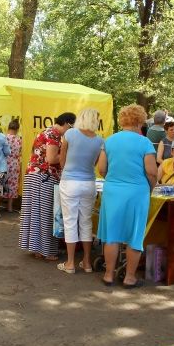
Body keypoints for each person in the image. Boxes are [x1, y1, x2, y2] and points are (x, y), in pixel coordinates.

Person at [97, 105, 157, 288]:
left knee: (111, 234)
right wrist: (150, 188)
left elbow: (101, 169)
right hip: (137, 192)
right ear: (140, 121)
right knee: (134, 236)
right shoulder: (144, 142)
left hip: (112, 191)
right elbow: (152, 172)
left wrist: (114, 180)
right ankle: (129, 277)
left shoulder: (109, 140)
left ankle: (108, 274)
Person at [19, 112, 76, 261]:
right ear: (67, 124)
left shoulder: (47, 131)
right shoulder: (54, 134)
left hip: (35, 176)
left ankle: (38, 249)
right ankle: (47, 251)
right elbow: (52, 159)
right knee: (47, 215)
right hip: (44, 177)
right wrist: (69, 154)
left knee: (35, 214)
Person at [57, 108, 103, 274]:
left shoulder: (70, 134)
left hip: (70, 181)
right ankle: (87, 262)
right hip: (89, 183)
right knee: (86, 222)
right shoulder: (100, 140)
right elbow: (95, 164)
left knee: (70, 222)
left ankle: (70, 263)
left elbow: (62, 160)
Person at [3, 119, 22, 212]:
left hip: (3, 163)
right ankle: (10, 207)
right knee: (12, 184)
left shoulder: (3, 138)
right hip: (15, 164)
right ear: (17, 129)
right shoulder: (19, 140)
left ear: (8, 127)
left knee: (2, 183)